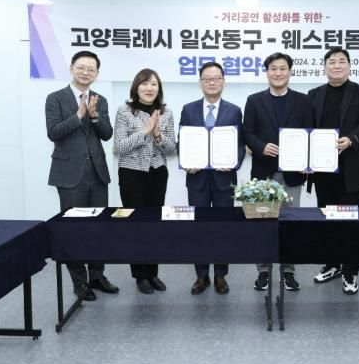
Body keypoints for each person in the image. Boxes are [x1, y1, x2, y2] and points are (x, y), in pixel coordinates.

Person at [45, 50, 119, 301]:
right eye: (81, 67)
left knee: (99, 228)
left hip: (97, 173)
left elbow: (107, 134)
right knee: (73, 229)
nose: (86, 72)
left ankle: (97, 276)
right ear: (71, 68)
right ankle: (80, 282)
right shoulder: (55, 98)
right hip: (69, 174)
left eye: (91, 69)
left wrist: (94, 115)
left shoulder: (100, 99)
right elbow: (53, 132)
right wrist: (78, 115)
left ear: (97, 73)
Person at [243, 52, 314, 292]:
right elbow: (247, 132)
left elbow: (310, 133)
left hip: (292, 173)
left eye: (282, 68)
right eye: (273, 68)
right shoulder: (254, 100)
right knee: (261, 224)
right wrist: (261, 147)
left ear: (290, 72)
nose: (278, 73)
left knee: (290, 224)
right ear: (267, 72)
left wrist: (307, 160)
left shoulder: (303, 101)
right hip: (262, 173)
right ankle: (263, 271)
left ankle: (288, 271)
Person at [307, 47, 359, 295]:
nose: (336, 65)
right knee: (327, 222)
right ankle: (332, 264)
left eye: (341, 61)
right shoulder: (314, 94)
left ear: (349, 66)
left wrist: (351, 139)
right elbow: (307, 129)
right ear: (325, 67)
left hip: (352, 169)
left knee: (350, 223)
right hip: (323, 170)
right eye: (332, 62)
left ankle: (350, 271)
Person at [179, 62, 245, 295]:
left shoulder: (234, 110)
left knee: (223, 228)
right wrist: (186, 162)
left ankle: (220, 275)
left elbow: (240, 144)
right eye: (207, 79)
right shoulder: (188, 109)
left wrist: (233, 162)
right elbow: (182, 141)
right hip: (197, 180)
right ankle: (201, 276)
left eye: (216, 78)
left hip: (224, 180)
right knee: (198, 228)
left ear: (223, 81)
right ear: (200, 82)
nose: (211, 82)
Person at [113, 68, 176, 294]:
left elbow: (171, 149)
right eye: (145, 83)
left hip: (157, 173)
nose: (149, 88)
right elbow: (119, 147)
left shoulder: (166, 112)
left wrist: (157, 134)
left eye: (154, 84)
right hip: (131, 173)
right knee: (135, 225)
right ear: (136, 87)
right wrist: (146, 131)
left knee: (154, 224)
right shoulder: (125, 111)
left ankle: (152, 273)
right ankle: (140, 276)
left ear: (159, 89)